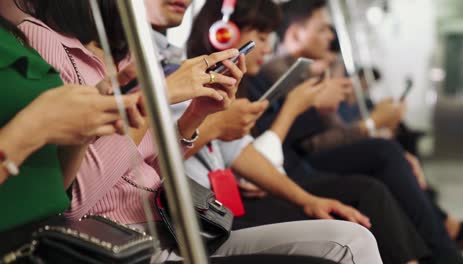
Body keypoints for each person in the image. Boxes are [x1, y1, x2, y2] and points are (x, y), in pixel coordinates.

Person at [6, 0, 384, 263]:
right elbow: (75, 199)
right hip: (125, 241)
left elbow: (153, 164)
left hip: (179, 225)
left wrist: (193, 119)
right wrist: (157, 98)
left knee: (352, 239)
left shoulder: (124, 53)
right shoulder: (46, 42)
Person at [185, 1, 430, 263]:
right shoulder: (252, 79)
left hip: (257, 187)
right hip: (230, 205)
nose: (266, 49)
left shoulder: (249, 83)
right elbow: (295, 147)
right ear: (222, 33)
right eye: (261, 38)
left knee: (381, 170)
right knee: (372, 183)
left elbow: (243, 151)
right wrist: (298, 108)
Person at [248, 0, 463, 263]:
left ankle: (443, 234)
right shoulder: (279, 73)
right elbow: (309, 142)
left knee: (393, 153)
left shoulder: (304, 71)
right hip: (295, 166)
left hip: (295, 162)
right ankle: (444, 244)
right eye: (322, 30)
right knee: (382, 159)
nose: (329, 37)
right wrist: (368, 124)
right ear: (295, 33)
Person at [0, 14, 143, 256]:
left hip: (47, 244)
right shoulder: (38, 35)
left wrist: (87, 124)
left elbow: (56, 186)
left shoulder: (10, 33)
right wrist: (34, 127)